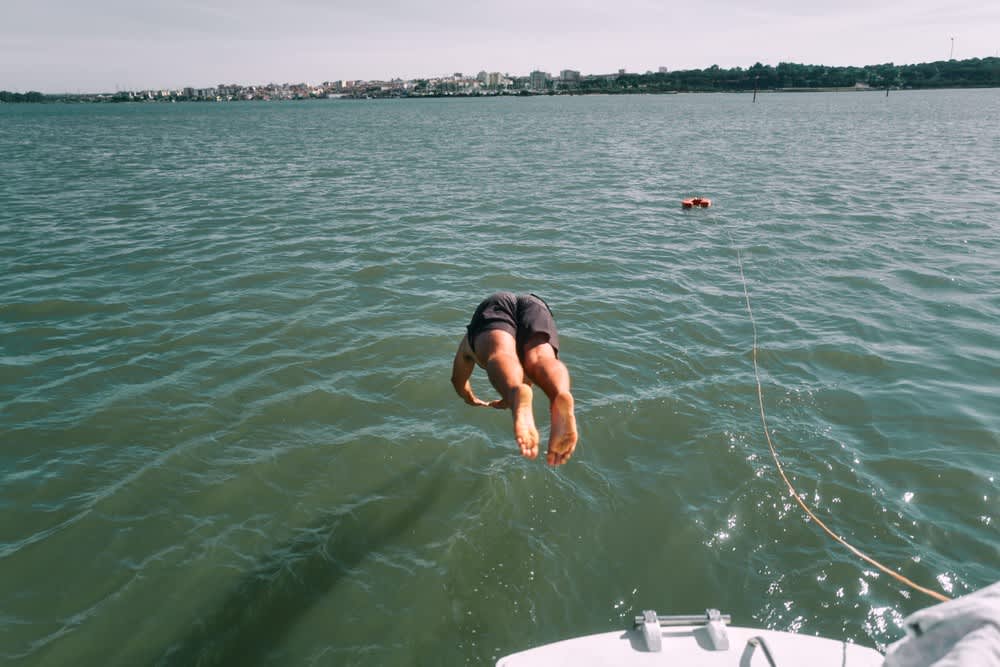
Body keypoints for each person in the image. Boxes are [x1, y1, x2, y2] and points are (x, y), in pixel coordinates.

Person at [451, 292, 578, 466]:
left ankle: (512, 392)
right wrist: (509, 399)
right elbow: (525, 384)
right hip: (535, 304)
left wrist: (470, 398)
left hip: (496, 303)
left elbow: (457, 380)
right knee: (541, 359)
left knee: (500, 353)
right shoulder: (523, 373)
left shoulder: (468, 344)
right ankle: (560, 393)